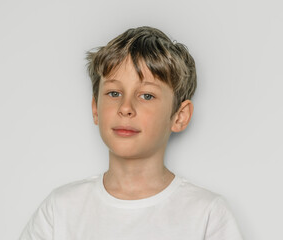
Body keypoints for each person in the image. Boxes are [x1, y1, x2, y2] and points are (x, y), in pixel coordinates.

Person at [19, 26, 244, 240]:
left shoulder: (207, 214)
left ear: (179, 116)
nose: (125, 108)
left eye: (146, 95)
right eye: (114, 93)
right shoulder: (60, 209)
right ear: (96, 109)